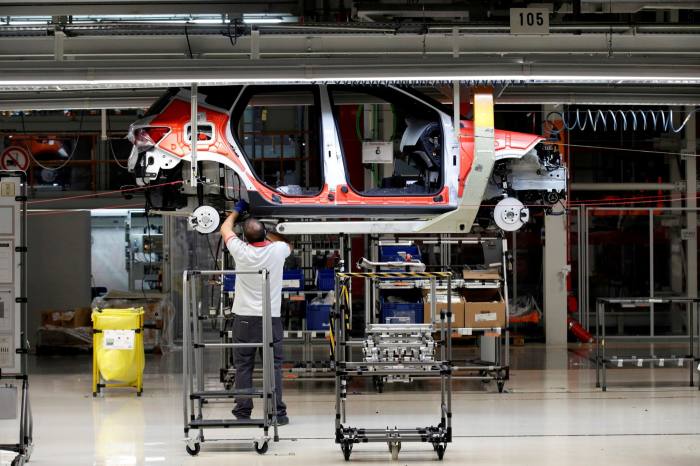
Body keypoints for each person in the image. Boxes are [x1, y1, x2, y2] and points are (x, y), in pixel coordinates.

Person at [220, 199, 292, 425]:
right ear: (263, 235)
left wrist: (237, 211)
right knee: (274, 366)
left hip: (244, 320)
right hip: (270, 319)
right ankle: (277, 413)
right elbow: (288, 245)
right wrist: (268, 230)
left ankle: (243, 412)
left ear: (245, 237)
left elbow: (224, 229)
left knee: (243, 366)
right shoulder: (278, 251)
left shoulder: (240, 251)